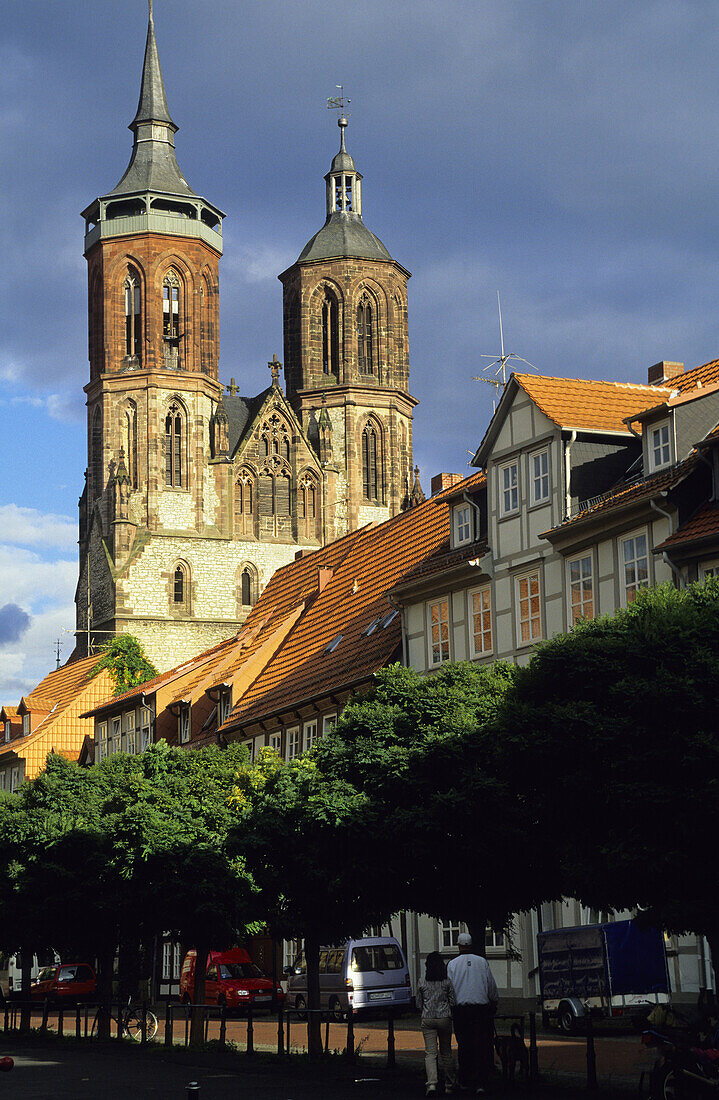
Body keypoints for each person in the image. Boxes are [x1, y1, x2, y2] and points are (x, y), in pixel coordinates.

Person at [447, 932, 498, 1095]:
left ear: (458, 945)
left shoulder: (452, 964)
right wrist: (493, 1001)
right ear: (471, 944)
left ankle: (465, 1079)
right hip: (481, 1010)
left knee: (464, 1045)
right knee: (481, 1045)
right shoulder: (482, 962)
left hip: (461, 1011)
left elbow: (450, 989)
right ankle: (481, 1082)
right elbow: (491, 985)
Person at [416, 951, 458, 1096]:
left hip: (427, 1019)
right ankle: (449, 1084)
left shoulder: (422, 981)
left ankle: (432, 1084)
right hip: (444, 1018)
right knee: (446, 1052)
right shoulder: (446, 982)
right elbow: (453, 1001)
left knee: (430, 1053)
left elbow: (418, 1004)